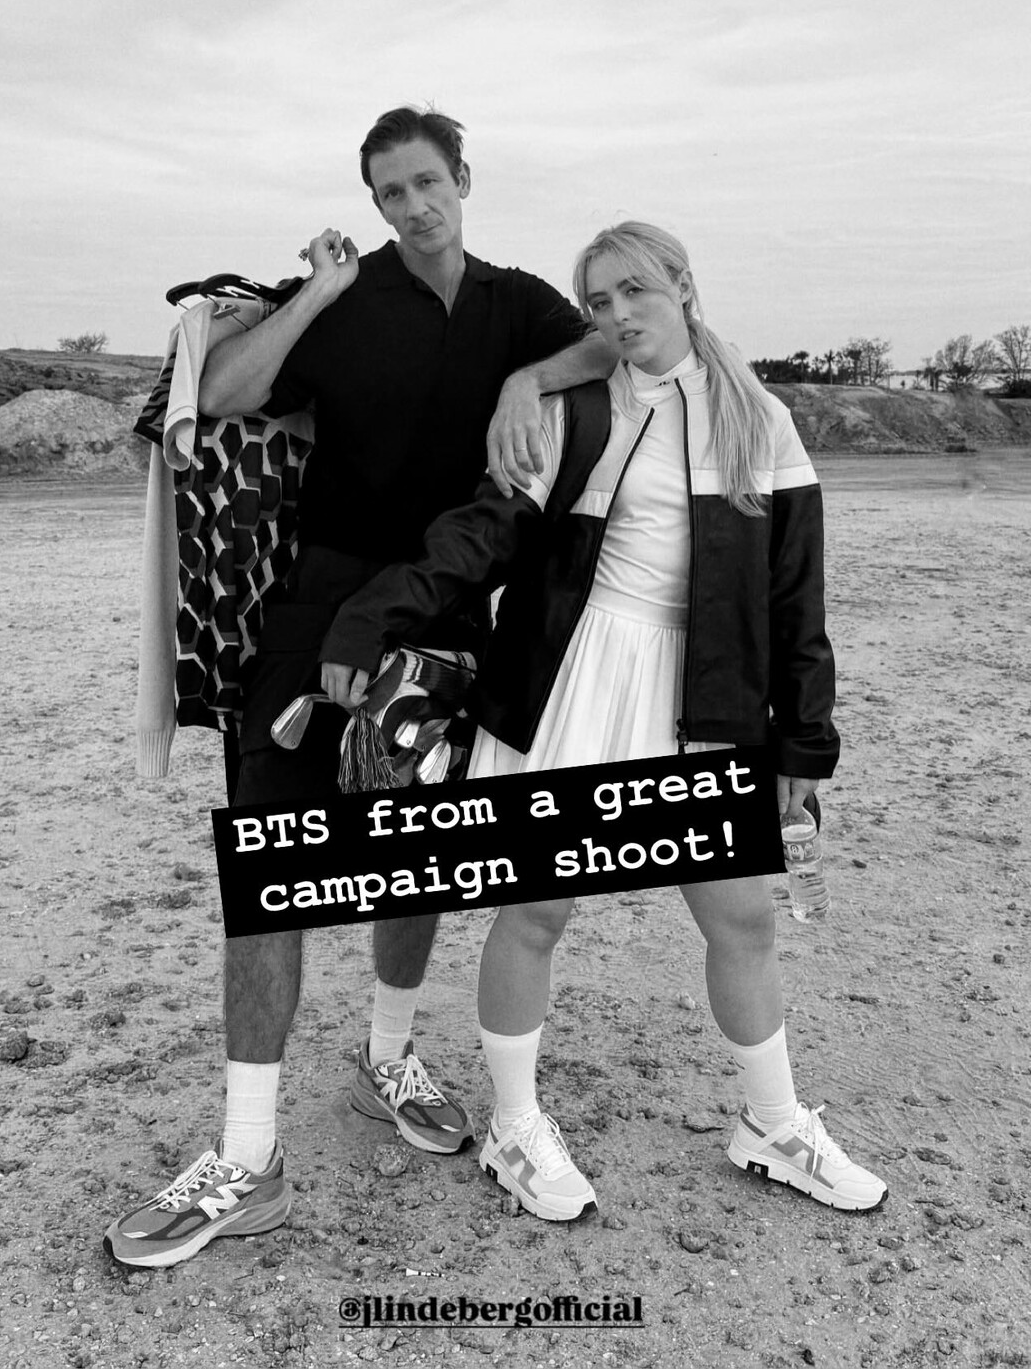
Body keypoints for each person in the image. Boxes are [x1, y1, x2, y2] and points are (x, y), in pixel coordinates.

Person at [104, 107, 616, 1268]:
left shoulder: (515, 302)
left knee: (416, 852)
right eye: (391, 192)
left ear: (463, 179)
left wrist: (527, 379)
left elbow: (609, 345)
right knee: (271, 871)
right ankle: (249, 1157)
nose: (414, 207)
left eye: (428, 183)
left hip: (449, 609)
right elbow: (223, 395)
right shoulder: (348, 296)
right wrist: (316, 297)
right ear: (374, 203)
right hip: (318, 606)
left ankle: (386, 1059)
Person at [317, 220, 889, 1223]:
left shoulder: (760, 421)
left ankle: (772, 1124)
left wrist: (804, 738)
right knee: (537, 913)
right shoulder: (574, 412)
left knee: (742, 917)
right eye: (597, 301)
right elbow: (476, 540)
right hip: (572, 687)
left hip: (703, 697)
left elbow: (797, 601)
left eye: (635, 291)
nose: (618, 315)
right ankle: (515, 1129)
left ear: (683, 287)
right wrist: (373, 616)